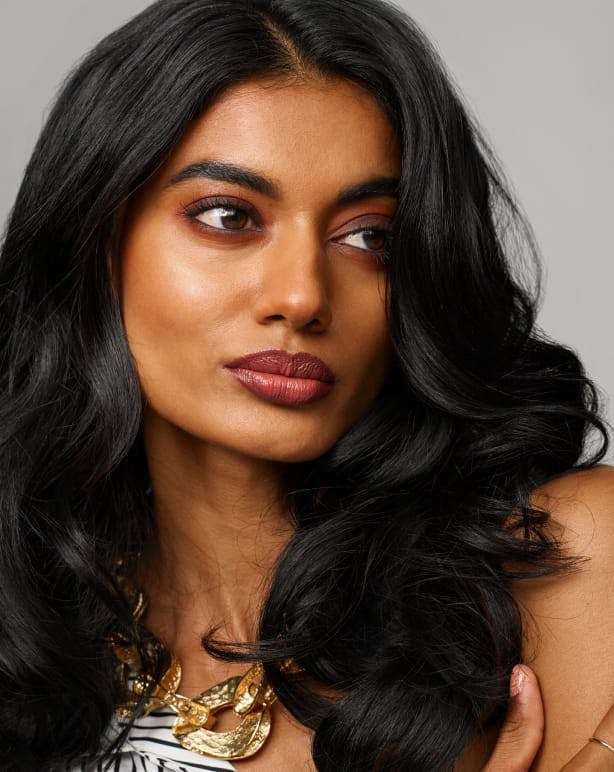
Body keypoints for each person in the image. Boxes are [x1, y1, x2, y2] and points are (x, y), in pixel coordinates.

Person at [1, 0, 612, 769]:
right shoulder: (27, 617)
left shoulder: (553, 566)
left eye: (369, 237)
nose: (302, 297)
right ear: (94, 241)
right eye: (229, 215)